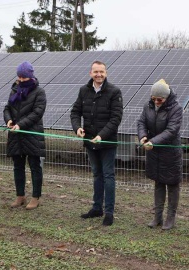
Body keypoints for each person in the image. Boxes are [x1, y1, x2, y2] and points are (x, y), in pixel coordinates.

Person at [70, 60, 123, 226]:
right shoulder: (83, 91)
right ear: (90, 73)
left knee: (108, 175)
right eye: (96, 72)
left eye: (102, 72)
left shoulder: (114, 92)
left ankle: (109, 212)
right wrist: (77, 128)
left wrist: (102, 135)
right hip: (90, 141)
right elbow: (75, 112)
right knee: (96, 174)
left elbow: (116, 118)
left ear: (106, 73)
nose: (99, 75)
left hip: (107, 142)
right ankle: (96, 208)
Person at [137, 79, 183, 230]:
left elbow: (171, 130)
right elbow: (141, 122)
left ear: (166, 97)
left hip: (170, 153)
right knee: (158, 183)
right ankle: (157, 216)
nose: (156, 101)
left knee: (172, 185)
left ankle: (170, 218)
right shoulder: (147, 106)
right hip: (154, 153)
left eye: (160, 99)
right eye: (154, 98)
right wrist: (143, 136)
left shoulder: (176, 109)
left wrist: (153, 142)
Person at [3, 61, 46, 210]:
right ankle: (20, 196)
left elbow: (37, 113)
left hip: (32, 134)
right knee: (18, 167)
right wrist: (8, 120)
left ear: (30, 76)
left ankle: (36, 197)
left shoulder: (39, 92)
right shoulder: (14, 90)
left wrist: (21, 125)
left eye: (24, 78)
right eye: (19, 77)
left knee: (35, 167)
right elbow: (7, 108)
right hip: (16, 135)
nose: (21, 80)